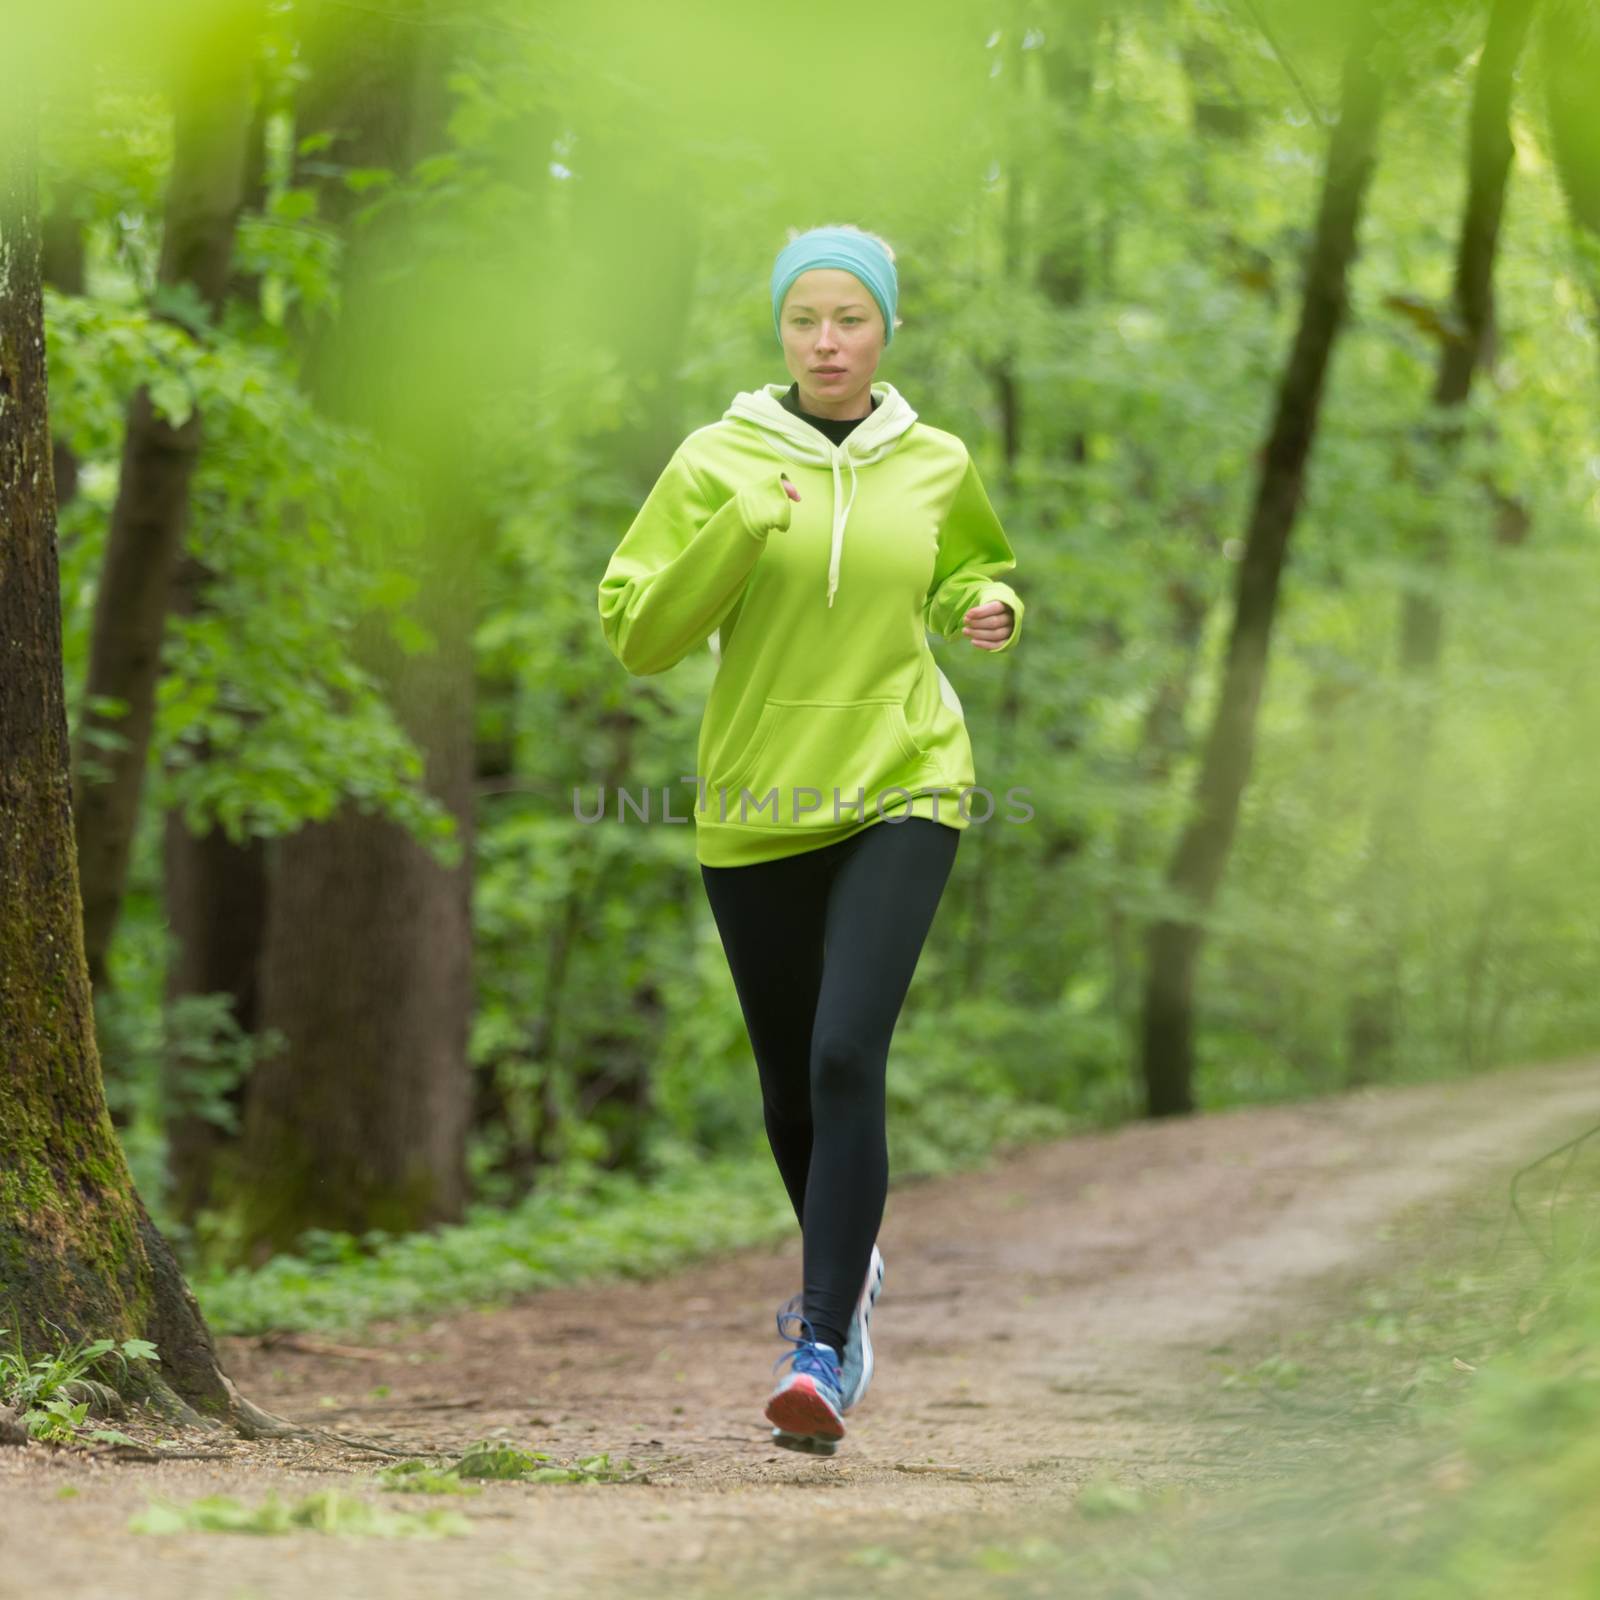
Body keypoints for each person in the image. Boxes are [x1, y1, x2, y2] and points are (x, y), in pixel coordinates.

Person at [597, 222, 1024, 1456]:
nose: (826, 341)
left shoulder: (934, 458)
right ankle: (853, 1265)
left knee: (845, 1055)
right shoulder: (713, 457)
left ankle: (821, 1344)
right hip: (759, 800)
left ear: (885, 327)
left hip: (906, 778)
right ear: (779, 328)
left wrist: (985, 603)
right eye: (804, 319)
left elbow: (965, 566)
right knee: (789, 1085)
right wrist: (736, 530)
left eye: (849, 317)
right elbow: (639, 633)